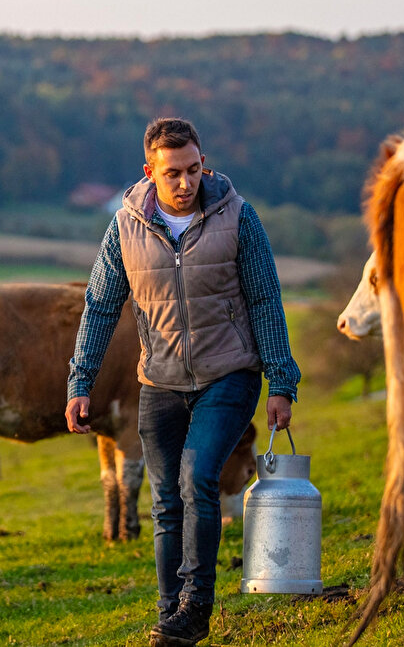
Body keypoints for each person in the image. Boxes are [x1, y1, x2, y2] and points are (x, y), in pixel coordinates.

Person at [65, 117, 299, 647]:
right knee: (166, 498)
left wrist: (281, 381)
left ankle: (197, 605)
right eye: (173, 173)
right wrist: (80, 381)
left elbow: (265, 302)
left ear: (203, 164)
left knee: (198, 477)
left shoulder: (238, 218)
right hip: (161, 380)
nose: (186, 182)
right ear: (150, 171)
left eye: (194, 169)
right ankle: (170, 614)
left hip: (229, 373)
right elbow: (100, 307)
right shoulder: (124, 228)